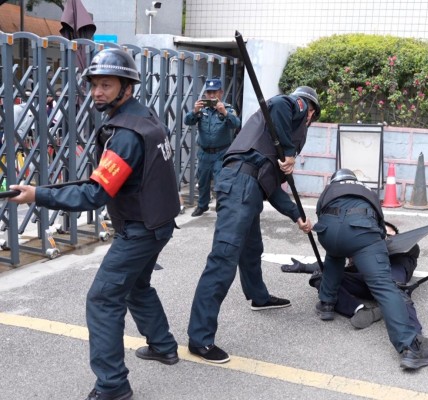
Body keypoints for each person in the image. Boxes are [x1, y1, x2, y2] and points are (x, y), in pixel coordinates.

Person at [9, 48, 181, 400]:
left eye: (106, 85)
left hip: (141, 228)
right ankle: (163, 345)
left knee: (102, 299)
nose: (97, 92)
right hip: (158, 221)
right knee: (136, 286)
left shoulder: (126, 134)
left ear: (127, 88)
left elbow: (94, 194)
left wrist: (37, 195)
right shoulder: (145, 117)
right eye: (94, 85)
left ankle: (113, 385)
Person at [187, 86, 320, 363]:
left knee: (251, 250)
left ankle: (259, 297)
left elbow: (271, 187)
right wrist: (288, 151)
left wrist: (297, 215)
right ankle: (199, 339)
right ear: (309, 110)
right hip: (240, 183)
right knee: (223, 259)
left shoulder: (271, 141)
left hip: (250, 186)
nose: (308, 118)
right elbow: (280, 104)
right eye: (310, 113)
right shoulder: (294, 106)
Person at [311, 168, 428, 370]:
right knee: (383, 285)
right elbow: (379, 225)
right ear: (353, 179)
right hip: (361, 233)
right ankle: (410, 347)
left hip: (327, 232)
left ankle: (326, 305)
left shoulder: (328, 190)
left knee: (334, 256)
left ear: (335, 180)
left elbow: (320, 215)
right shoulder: (366, 191)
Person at [282, 222, 423, 331]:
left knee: (398, 294)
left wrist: (379, 243)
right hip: (364, 282)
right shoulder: (362, 250)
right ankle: (360, 310)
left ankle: (414, 339)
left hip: (390, 284)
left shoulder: (407, 250)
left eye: (385, 231)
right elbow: (332, 265)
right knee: (322, 277)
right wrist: (304, 267)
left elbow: (411, 247)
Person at [184, 78, 241, 216]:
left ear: (220, 93)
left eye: (214, 92)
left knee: (221, 182)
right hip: (204, 153)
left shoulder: (227, 109)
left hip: (221, 153)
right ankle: (202, 206)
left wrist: (224, 112)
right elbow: (187, 121)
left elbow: (236, 124)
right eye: (209, 92)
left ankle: (221, 207)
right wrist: (194, 111)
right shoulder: (201, 109)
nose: (211, 96)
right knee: (203, 182)